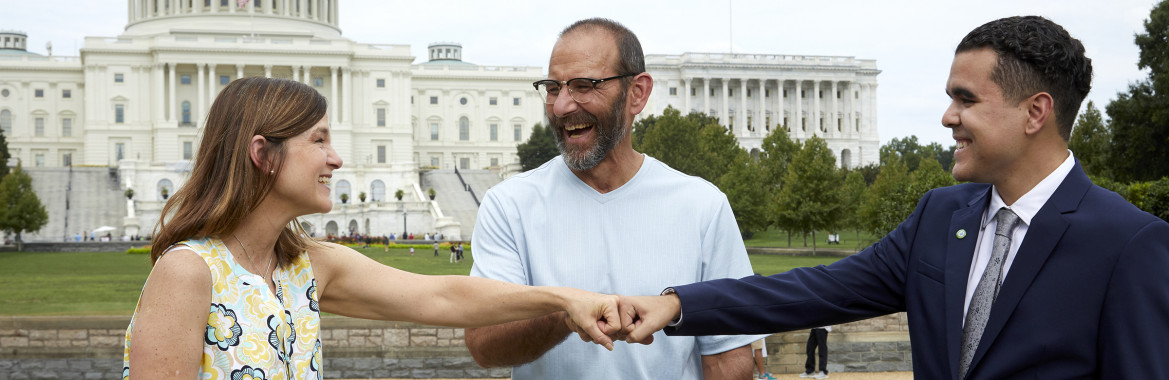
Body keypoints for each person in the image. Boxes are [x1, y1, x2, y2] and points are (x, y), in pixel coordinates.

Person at [619, 16, 1169, 379]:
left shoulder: (1128, 244)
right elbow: (813, 290)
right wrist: (678, 305)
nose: (947, 117)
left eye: (966, 100)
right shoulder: (940, 216)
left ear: (1035, 112)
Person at [121, 77, 622, 379]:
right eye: (318, 141)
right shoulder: (188, 273)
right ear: (261, 155)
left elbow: (445, 297)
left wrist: (564, 300)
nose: (336, 159)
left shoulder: (307, 267)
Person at [465, 18, 760, 379]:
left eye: (583, 86)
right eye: (553, 88)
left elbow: (727, 359)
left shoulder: (703, 205)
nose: (561, 106)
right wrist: (565, 315)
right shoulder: (508, 205)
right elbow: (484, 345)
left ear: (637, 93)